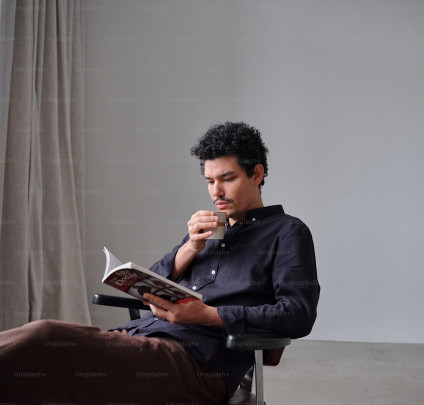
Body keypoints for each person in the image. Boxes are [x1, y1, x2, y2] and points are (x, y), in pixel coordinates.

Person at [0, 122, 320, 404]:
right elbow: (150, 281)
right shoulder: (207, 228)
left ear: (257, 174)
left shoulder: (288, 232)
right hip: (142, 338)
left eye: (227, 178)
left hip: (197, 365)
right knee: (35, 372)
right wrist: (190, 246)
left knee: (44, 338)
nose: (216, 191)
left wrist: (207, 314)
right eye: (209, 181)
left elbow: (297, 314)